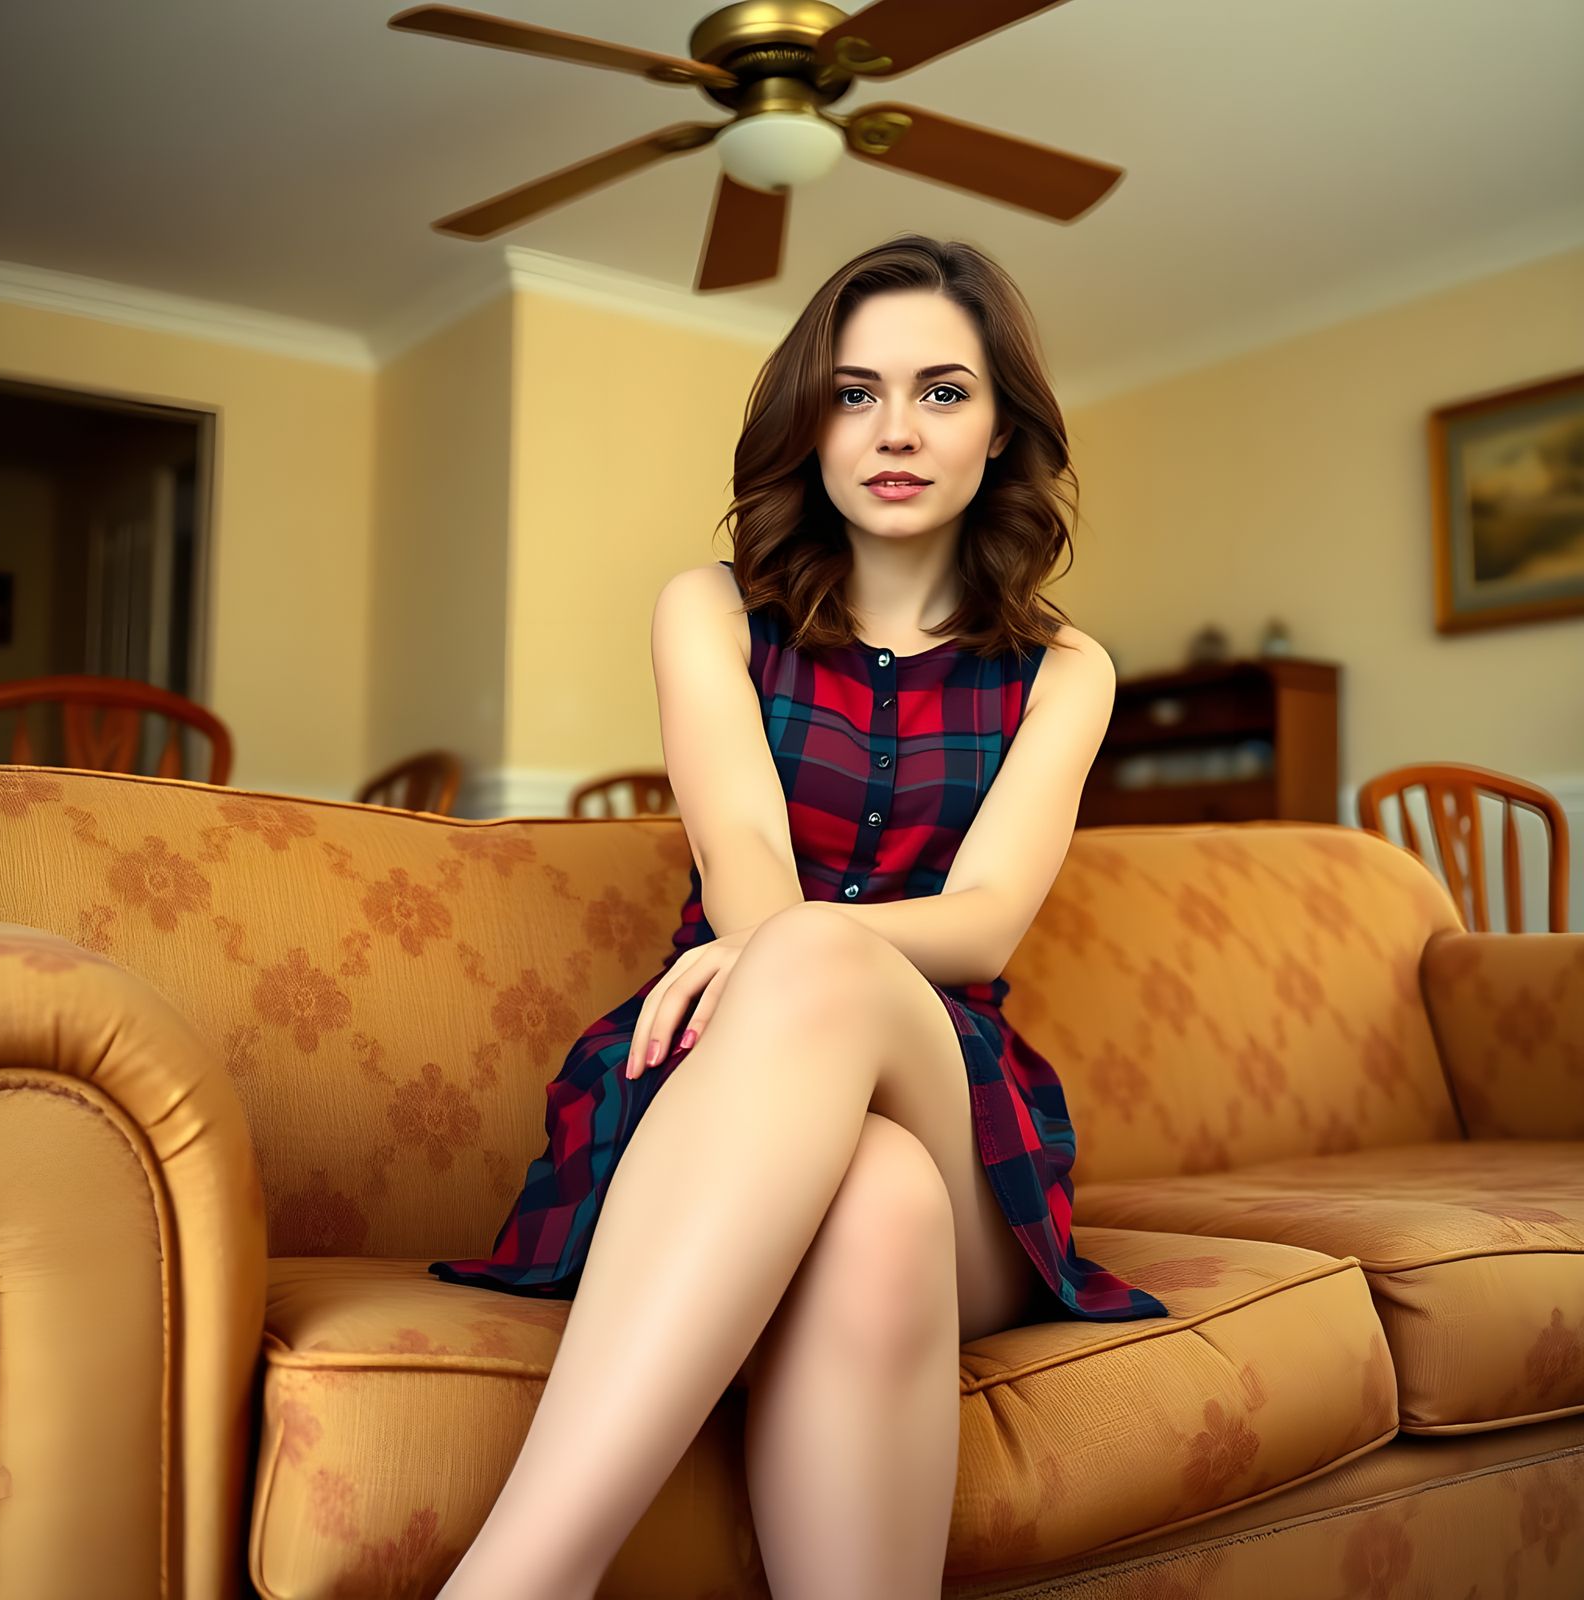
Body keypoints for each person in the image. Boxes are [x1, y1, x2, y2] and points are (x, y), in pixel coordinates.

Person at [431, 232, 1169, 1600]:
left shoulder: (1066, 668)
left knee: (834, 985)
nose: (897, 430)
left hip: (954, 1104)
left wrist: (805, 945)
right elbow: (744, 852)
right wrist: (786, 944)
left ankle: (515, 1584)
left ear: (1003, 431)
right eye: (854, 392)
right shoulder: (710, 610)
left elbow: (984, 924)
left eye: (943, 392)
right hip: (728, 1073)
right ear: (808, 424)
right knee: (871, 1196)